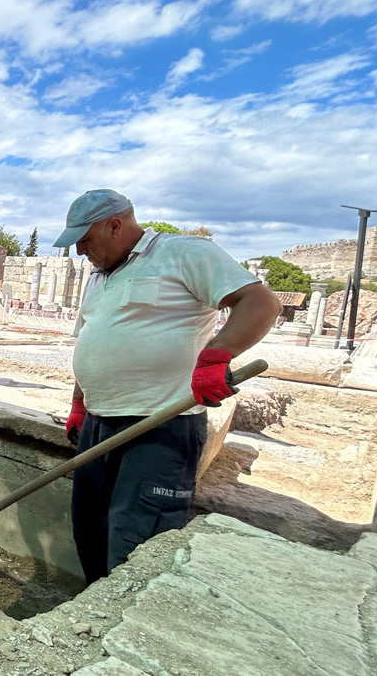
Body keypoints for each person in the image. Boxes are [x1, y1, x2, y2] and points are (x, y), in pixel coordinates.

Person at [55, 189, 280, 584]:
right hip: (99, 423)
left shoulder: (185, 253)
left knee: (137, 540)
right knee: (90, 530)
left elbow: (260, 302)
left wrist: (217, 355)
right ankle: (88, 625)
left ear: (114, 225)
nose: (79, 251)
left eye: (84, 240)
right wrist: (79, 403)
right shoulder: (97, 277)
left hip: (158, 426)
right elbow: (90, 340)